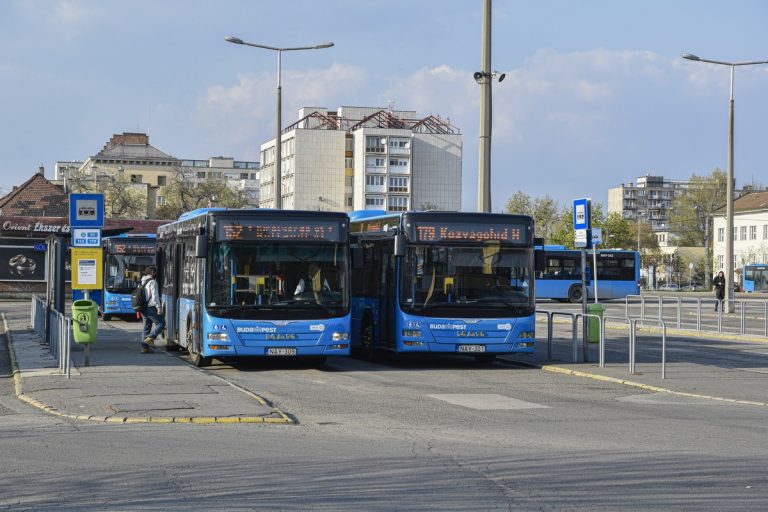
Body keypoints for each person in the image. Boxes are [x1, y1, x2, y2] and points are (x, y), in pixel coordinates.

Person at [139, 266, 165, 353]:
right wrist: (158, 307)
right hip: (150, 307)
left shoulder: (142, 281)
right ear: (152, 272)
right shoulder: (153, 282)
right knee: (161, 323)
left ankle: (144, 348)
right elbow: (155, 296)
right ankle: (150, 338)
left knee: (146, 327)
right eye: (155, 272)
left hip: (142, 308)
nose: (156, 274)